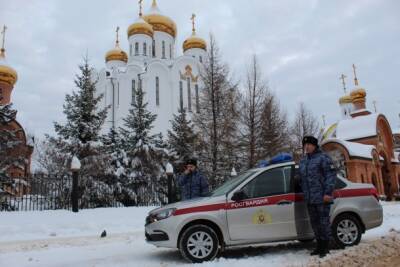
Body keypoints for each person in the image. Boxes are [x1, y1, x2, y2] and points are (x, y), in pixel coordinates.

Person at [298, 136, 336, 258]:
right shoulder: (303, 161)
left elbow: (331, 176)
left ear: (315, 145)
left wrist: (328, 193)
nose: (307, 147)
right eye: (305, 145)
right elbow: (301, 179)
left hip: (322, 198)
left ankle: (326, 247)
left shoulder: (323, 158)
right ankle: (319, 246)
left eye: (309, 144)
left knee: (324, 223)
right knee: (315, 223)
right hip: (310, 198)